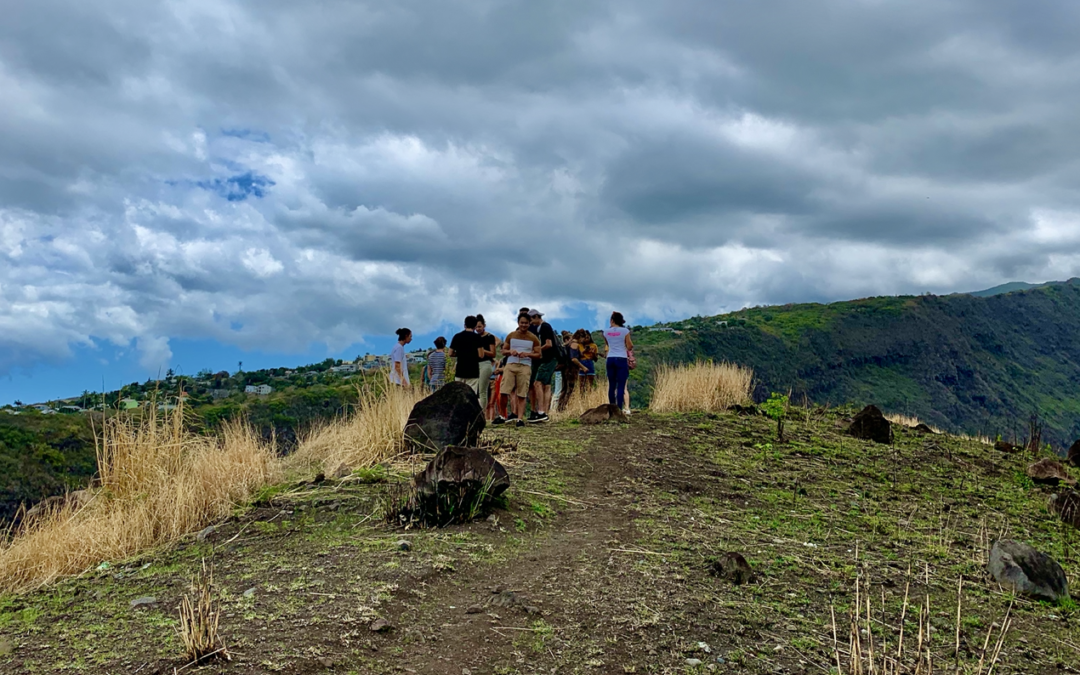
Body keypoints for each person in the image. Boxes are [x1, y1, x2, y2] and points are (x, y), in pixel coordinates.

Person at [502, 314, 541, 427]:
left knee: (522, 393)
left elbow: (538, 354)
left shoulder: (533, 338)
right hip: (511, 364)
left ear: (529, 324)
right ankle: (502, 415)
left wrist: (528, 354)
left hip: (525, 365)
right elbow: (504, 350)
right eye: (521, 322)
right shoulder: (511, 335)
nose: (523, 325)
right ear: (518, 323)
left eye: (526, 323)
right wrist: (510, 352)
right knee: (504, 391)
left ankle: (520, 418)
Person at [527, 309, 557, 422]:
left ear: (535, 317)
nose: (530, 322)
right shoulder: (542, 327)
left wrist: (538, 350)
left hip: (548, 359)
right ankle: (544, 411)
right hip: (550, 359)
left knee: (537, 383)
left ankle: (541, 411)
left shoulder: (544, 327)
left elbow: (548, 344)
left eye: (531, 319)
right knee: (547, 385)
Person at [602, 312, 632, 411]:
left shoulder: (605, 332)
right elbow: (629, 346)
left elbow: (608, 344)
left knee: (612, 385)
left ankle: (611, 407)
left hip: (610, 358)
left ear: (612, 320)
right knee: (621, 385)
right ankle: (619, 409)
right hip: (621, 358)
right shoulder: (625, 331)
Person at [449, 315, 483, 395]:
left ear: (465, 325)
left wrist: (459, 353)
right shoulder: (477, 338)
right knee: (471, 395)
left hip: (460, 370)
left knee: (458, 395)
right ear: (475, 326)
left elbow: (450, 353)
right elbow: (481, 355)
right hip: (473, 371)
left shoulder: (457, 336)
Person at [475, 315, 498, 414]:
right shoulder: (474, 337)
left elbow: (493, 353)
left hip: (485, 363)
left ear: (484, 326)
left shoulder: (489, 337)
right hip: (475, 364)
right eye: (476, 327)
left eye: (479, 327)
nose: (478, 329)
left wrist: (482, 350)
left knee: (482, 390)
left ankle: (482, 413)